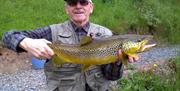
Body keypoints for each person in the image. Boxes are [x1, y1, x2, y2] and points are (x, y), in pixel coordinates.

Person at [2, 0, 139, 91]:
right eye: (73, 2)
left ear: (91, 7)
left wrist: (117, 62)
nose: (78, 6)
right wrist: (26, 42)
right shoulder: (51, 32)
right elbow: (7, 36)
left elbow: (112, 77)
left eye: (84, 2)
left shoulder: (106, 34)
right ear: (67, 9)